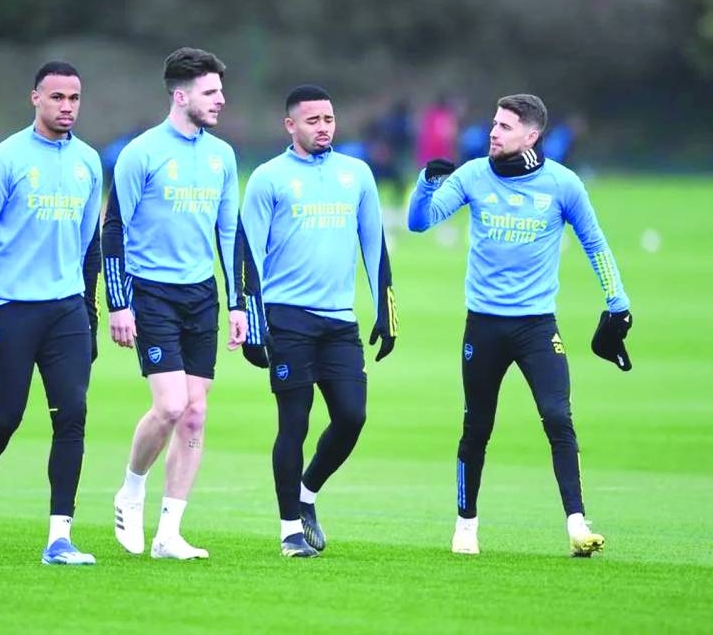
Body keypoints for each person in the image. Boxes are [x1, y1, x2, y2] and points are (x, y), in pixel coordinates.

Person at [406, 93, 633, 557]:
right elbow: (419, 223)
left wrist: (618, 301)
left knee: (557, 417)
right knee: (478, 427)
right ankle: (465, 525)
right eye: (494, 123)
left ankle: (576, 523)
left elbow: (596, 244)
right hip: (484, 326)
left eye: (505, 126)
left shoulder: (563, 184)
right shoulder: (472, 175)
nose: (493, 132)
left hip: (536, 327)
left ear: (531, 135)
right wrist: (426, 184)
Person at [0, 61, 102, 565]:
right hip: (12, 310)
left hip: (65, 314)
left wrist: (91, 314)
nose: (67, 107)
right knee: (5, 418)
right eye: (57, 97)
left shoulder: (87, 162)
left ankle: (59, 537)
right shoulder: (5, 159)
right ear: (34, 98)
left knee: (73, 418)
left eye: (74, 98)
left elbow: (90, 248)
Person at [241, 85, 397, 558]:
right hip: (287, 319)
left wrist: (386, 314)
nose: (323, 127)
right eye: (312, 120)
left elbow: (375, 245)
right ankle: (290, 530)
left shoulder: (357, 174)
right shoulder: (268, 178)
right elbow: (247, 254)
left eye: (328, 118)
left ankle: (307, 495)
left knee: (352, 416)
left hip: (339, 323)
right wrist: (252, 322)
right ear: (291, 125)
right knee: (295, 423)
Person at [103, 47, 246, 560]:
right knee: (169, 406)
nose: (221, 101)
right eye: (211, 93)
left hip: (200, 294)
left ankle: (169, 534)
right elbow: (113, 229)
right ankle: (131, 490)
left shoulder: (222, 157)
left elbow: (229, 233)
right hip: (151, 292)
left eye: (221, 92)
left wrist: (238, 304)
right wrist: (119, 303)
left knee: (195, 415)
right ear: (180, 95)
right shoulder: (141, 152)